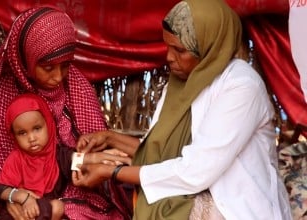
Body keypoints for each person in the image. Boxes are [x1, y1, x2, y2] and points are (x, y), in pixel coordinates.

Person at [72, 0, 293, 219]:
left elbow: (195, 170)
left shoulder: (242, 86)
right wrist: (109, 138)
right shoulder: (183, 82)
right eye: (168, 46)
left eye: (179, 50)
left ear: (208, 46)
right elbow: (162, 154)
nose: (169, 57)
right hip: (194, 189)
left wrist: (113, 172)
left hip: (234, 207)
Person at [0, 6, 132, 220]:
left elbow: (75, 160)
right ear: (28, 58)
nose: (58, 77)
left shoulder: (76, 87)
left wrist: (100, 159)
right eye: (48, 67)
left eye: (65, 66)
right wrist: (12, 196)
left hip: (76, 191)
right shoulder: (3, 95)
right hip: (14, 191)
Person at [0, 93, 64, 220]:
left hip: (44, 208)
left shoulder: (58, 155)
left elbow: (77, 161)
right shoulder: (16, 158)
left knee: (57, 207)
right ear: (14, 136)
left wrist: (94, 159)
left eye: (37, 128)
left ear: (49, 124)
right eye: (22, 133)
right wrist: (22, 197)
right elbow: (0, 190)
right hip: (18, 211)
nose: (31, 138)